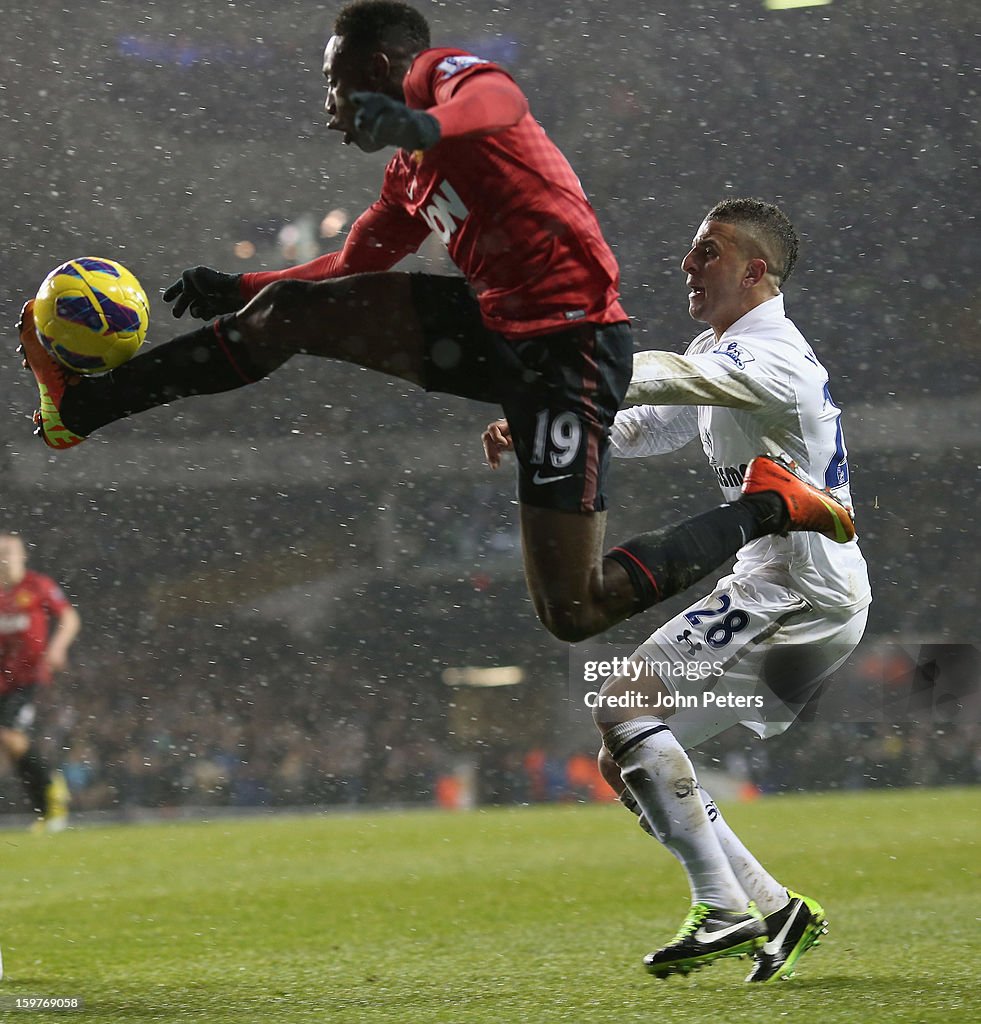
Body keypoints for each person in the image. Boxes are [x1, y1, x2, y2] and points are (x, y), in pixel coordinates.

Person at [17, 1, 853, 645]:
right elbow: (351, 266)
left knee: (576, 608)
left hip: (573, 351)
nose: (328, 108)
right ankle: (80, 409)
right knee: (295, 312)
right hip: (500, 333)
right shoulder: (408, 175)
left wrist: (422, 121)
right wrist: (243, 284)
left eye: (334, 86)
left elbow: (498, 96)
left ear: (380, 67)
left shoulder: (445, 83)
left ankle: (768, 506)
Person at [483, 198, 872, 982]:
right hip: (789, 583)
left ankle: (720, 907)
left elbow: (664, 376)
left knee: (624, 705)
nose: (688, 268)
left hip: (795, 587)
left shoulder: (771, 360)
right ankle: (772, 907)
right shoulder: (725, 352)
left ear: (753, 270)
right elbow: (647, 421)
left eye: (707, 253)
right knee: (624, 756)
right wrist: (545, 429)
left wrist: (582, 373)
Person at [0, 533, 81, 832]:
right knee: (12, 745)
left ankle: (51, 793)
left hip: (27, 677)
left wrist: (58, 647)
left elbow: (70, 617)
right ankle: (47, 804)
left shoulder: (37, 586)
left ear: (23, 556)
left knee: (9, 736)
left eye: (8, 552)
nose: (3, 559)